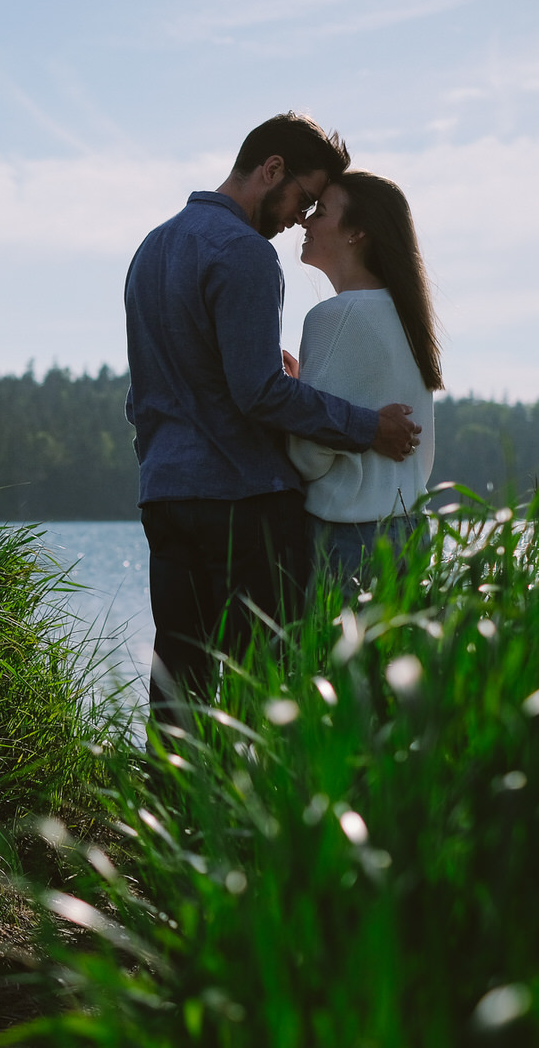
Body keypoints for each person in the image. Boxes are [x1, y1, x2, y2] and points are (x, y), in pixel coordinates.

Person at [124, 112, 421, 731]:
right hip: (244, 503)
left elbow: (144, 397)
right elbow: (259, 395)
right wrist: (368, 427)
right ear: (272, 170)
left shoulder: (151, 248)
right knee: (268, 692)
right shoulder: (245, 254)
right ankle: (255, 823)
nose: (297, 220)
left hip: (165, 496)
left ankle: (171, 818)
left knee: (178, 676)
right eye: (302, 198)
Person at [286, 171, 442, 590]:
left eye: (320, 212)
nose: (306, 221)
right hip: (410, 529)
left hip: (349, 539)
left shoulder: (334, 317)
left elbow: (307, 456)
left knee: (333, 658)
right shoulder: (409, 316)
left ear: (357, 233)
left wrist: (294, 402)